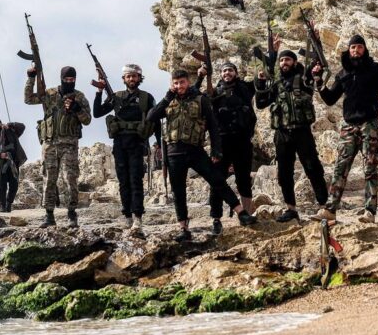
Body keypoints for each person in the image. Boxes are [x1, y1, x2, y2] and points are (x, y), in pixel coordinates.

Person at [147, 69, 257, 241]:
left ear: (188, 82)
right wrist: (167, 97)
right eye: (176, 83)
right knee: (178, 192)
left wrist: (215, 149)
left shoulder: (200, 99)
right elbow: (151, 117)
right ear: (172, 84)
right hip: (174, 153)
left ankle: (241, 213)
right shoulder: (168, 100)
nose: (179, 86)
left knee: (217, 180)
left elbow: (213, 126)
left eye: (182, 82)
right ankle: (183, 228)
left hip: (195, 150)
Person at [309, 35, 378, 224]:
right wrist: (318, 81)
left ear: (364, 49)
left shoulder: (375, 69)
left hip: (369, 124)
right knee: (340, 168)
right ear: (349, 50)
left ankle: (370, 211)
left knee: (370, 167)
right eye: (353, 47)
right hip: (348, 126)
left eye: (359, 47)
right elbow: (330, 99)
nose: (356, 50)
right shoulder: (343, 73)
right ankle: (330, 210)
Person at [255, 39, 328, 222]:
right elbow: (261, 103)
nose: (284, 63)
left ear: (294, 62)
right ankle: (291, 209)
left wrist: (316, 40)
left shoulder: (304, 78)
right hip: (282, 134)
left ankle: (324, 206)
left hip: (302, 132)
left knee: (313, 168)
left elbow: (319, 63)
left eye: (287, 60)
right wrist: (261, 83)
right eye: (281, 60)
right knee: (284, 173)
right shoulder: (276, 83)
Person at [93, 64, 161, 234]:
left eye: (134, 76)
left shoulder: (146, 98)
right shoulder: (116, 97)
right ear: (124, 79)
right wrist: (99, 92)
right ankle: (127, 216)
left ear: (139, 78)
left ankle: (137, 217)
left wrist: (159, 143)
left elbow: (156, 121)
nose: (131, 79)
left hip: (137, 143)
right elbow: (97, 112)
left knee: (135, 180)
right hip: (120, 144)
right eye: (128, 76)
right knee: (123, 181)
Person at [25, 65, 90, 228]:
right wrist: (31, 78)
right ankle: (49, 215)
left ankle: (72, 214)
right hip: (50, 144)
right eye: (67, 79)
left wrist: (77, 109)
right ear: (61, 79)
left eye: (72, 79)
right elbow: (29, 99)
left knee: (70, 178)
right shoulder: (50, 94)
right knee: (49, 179)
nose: (70, 82)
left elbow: (87, 120)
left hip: (69, 145)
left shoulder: (79, 97)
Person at [197, 61, 257, 234]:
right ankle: (216, 219)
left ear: (236, 73)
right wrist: (201, 77)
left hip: (242, 141)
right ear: (220, 74)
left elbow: (262, 82)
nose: (227, 73)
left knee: (243, 179)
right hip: (221, 142)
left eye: (230, 70)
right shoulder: (213, 91)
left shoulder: (245, 88)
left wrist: (271, 57)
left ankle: (246, 215)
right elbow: (194, 95)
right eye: (224, 71)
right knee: (217, 180)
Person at [0, 119, 27, 213]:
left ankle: (9, 203)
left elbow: (22, 127)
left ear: (0, 124)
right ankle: (2, 205)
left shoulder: (11, 132)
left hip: (12, 163)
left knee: (14, 185)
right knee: (1, 186)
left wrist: (10, 125)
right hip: (0, 165)